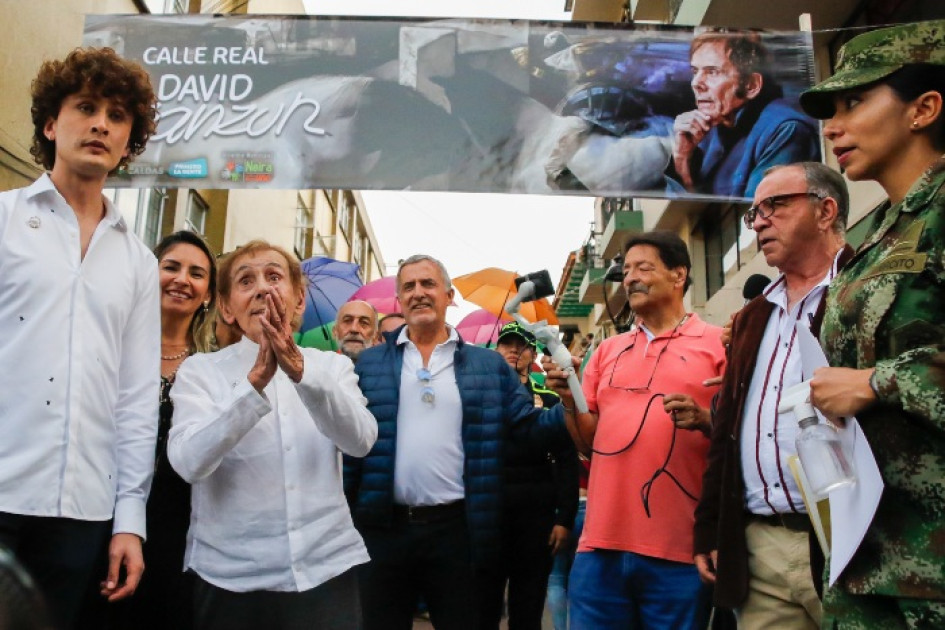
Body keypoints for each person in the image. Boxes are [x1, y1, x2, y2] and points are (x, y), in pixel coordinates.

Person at [0, 47, 159, 628]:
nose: (101, 125)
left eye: (117, 115)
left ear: (129, 139)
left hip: (84, 511)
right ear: (50, 124)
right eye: (86, 108)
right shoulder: (4, 220)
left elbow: (136, 398)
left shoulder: (139, 261)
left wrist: (130, 521)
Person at [798, 19, 945, 629]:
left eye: (855, 102)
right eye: (831, 111)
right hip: (870, 566)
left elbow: (871, 378)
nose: (833, 127)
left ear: (924, 109)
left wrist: (877, 383)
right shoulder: (878, 233)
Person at [344, 254, 570, 630]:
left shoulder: (489, 366)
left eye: (428, 284)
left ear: (449, 297)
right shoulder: (369, 364)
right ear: (399, 300)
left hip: (457, 534)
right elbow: (352, 450)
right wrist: (351, 519)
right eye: (409, 286)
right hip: (384, 533)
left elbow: (529, 429)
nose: (418, 292)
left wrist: (569, 403)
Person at [168, 240, 377, 630]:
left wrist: (301, 372)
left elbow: (361, 440)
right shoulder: (200, 372)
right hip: (230, 578)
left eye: (274, 276)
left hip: (326, 568)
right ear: (226, 307)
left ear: (299, 300)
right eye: (246, 281)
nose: (263, 288)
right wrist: (252, 387)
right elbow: (188, 463)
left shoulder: (331, 367)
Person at [693, 162, 853, 629]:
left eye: (775, 206)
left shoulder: (865, 288)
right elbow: (727, 431)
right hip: (760, 548)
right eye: (754, 213)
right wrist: (711, 526)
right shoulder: (751, 318)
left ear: (825, 211)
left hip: (856, 540)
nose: (759, 222)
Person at [544, 231, 726, 630]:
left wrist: (705, 419)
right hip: (598, 548)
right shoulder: (606, 351)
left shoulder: (718, 345)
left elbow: (741, 437)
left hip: (682, 551)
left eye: (643, 268)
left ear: (678, 275)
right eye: (626, 270)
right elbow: (588, 444)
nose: (630, 278)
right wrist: (569, 400)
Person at [478, 322, 579, 630]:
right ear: (495, 350)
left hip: (536, 518)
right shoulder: (478, 397)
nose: (513, 350)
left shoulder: (550, 398)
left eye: (521, 345)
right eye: (506, 344)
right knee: (483, 607)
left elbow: (567, 459)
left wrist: (564, 518)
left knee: (528, 607)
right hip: (489, 516)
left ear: (533, 354)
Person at [669, 30, 820, 199]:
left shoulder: (786, 130)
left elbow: (761, 208)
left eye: (712, 72)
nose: (696, 83)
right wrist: (682, 159)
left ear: (751, 85)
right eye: (695, 71)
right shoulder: (708, 128)